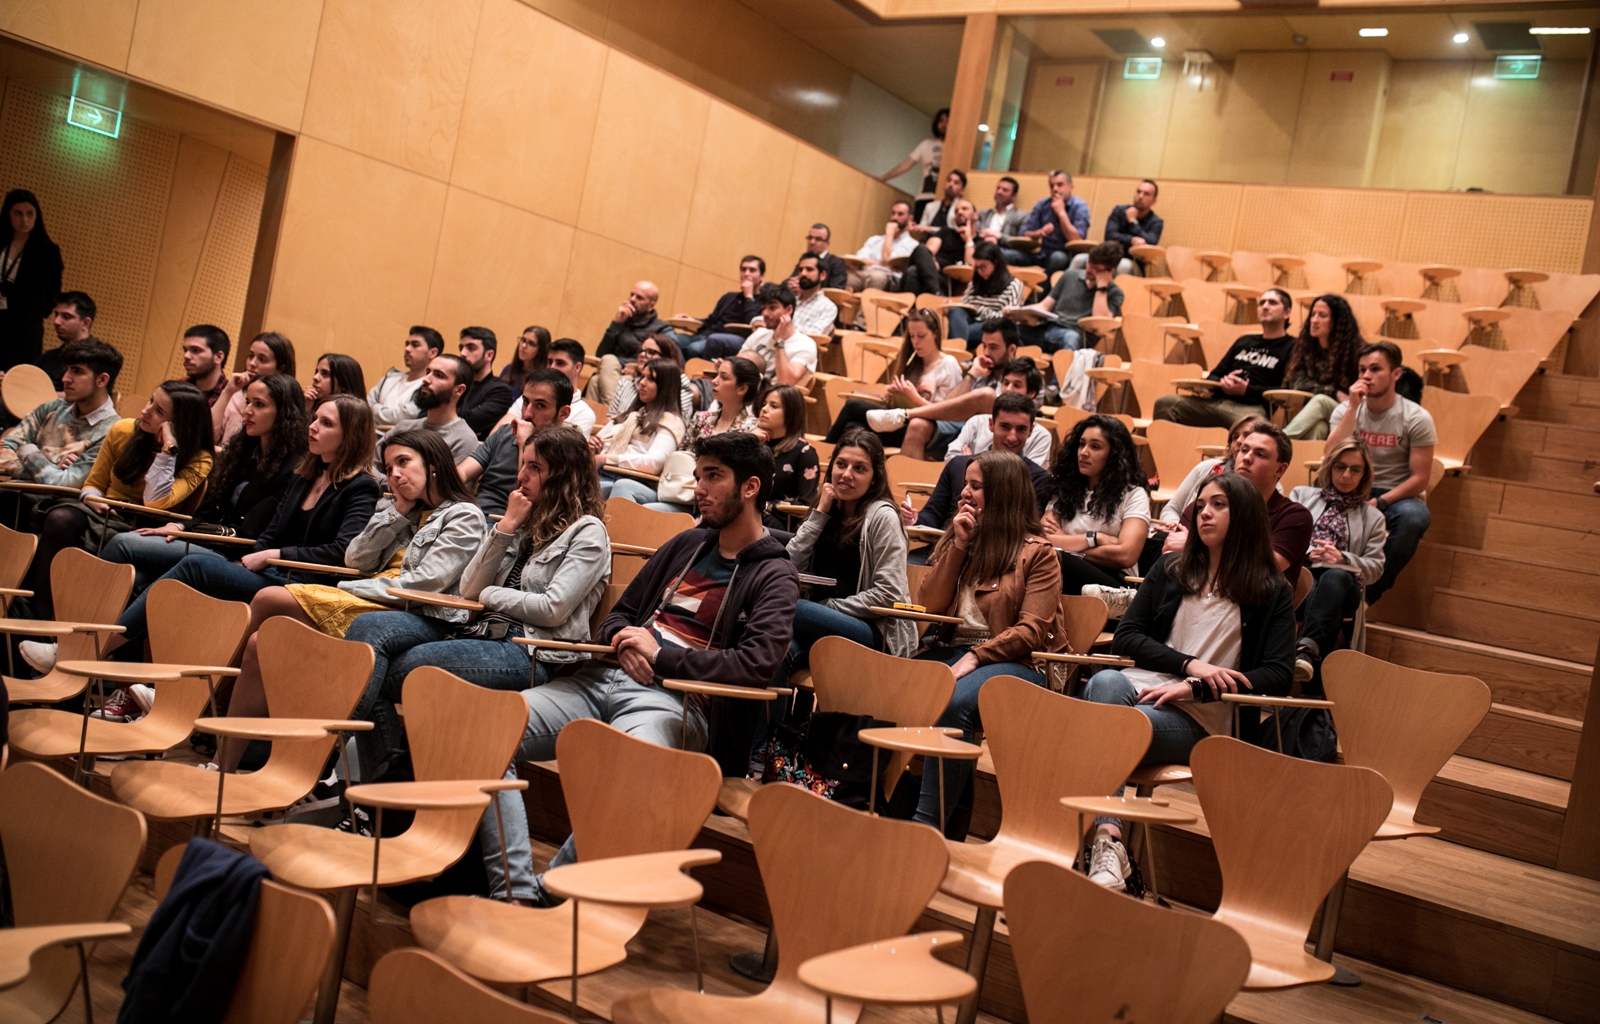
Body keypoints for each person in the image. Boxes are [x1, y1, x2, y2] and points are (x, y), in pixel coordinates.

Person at [486, 431, 797, 901]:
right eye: (698, 476)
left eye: (714, 477)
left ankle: (549, 891)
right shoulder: (686, 544)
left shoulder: (774, 573)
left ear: (750, 488)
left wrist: (661, 656)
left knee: (635, 772)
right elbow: (617, 617)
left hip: (676, 701)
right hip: (598, 679)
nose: (699, 488)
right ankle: (514, 891)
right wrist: (625, 643)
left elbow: (754, 665)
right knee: (487, 730)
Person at [342, 425, 610, 853]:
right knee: (371, 659)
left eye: (536, 468)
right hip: (481, 633)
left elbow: (551, 608)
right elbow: (467, 590)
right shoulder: (521, 521)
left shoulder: (588, 532)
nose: (521, 476)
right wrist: (504, 528)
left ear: (564, 475)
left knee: (413, 670)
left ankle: (376, 800)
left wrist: (491, 595)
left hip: (528, 650)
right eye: (522, 464)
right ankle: (379, 799)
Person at [210, 430, 487, 771]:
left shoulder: (463, 515)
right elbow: (355, 559)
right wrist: (397, 513)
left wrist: (355, 588)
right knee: (259, 643)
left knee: (268, 597)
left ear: (433, 464)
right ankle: (220, 763)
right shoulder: (405, 511)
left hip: (409, 607)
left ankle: (203, 699)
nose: (395, 474)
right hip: (373, 595)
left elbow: (427, 582)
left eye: (404, 462)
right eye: (389, 467)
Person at [1079, 471, 1296, 891]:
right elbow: (1128, 636)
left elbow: (1278, 674)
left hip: (1202, 718)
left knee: (1104, 725)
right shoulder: (1171, 568)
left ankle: (1088, 845)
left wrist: (1196, 687)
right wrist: (1191, 665)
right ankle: (1109, 840)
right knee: (1104, 683)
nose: (1204, 513)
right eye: (1202, 504)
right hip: (1142, 689)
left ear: (1246, 516)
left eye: (1219, 505)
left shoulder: (1271, 590)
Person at [101, 395, 380, 658]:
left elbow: (342, 550)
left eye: (326, 423)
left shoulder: (361, 487)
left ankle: (99, 646)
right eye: (315, 418)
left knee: (195, 565)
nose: (313, 427)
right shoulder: (304, 475)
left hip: (305, 584)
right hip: (271, 571)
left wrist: (276, 555)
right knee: (142, 579)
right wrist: (246, 560)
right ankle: (116, 663)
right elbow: (271, 533)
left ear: (349, 437)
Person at [912, 450, 1067, 834]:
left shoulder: (1039, 554)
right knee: (888, 682)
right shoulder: (962, 538)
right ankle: (865, 796)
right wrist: (959, 547)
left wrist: (977, 657)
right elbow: (928, 604)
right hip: (957, 654)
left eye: (975, 486)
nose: (964, 493)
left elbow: (1031, 632)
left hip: (1019, 665)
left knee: (954, 701)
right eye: (965, 484)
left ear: (1001, 495)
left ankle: (925, 827)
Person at [103, 373, 308, 602]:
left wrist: (186, 532)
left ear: (284, 414)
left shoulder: (292, 469)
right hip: (206, 540)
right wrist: (179, 525)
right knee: (139, 578)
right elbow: (207, 511)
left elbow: (250, 532)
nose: (248, 410)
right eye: (248, 402)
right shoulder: (242, 452)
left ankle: (85, 616)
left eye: (259, 405)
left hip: (232, 552)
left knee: (122, 543)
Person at [21, 381, 214, 620]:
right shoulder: (123, 430)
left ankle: (62, 620)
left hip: (147, 525)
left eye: (159, 412)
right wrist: (92, 498)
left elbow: (157, 502)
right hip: (102, 510)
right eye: (151, 400)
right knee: (59, 518)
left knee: (64, 527)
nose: (146, 410)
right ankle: (39, 617)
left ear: (179, 425)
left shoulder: (199, 458)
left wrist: (168, 450)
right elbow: (94, 483)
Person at [1140, 424, 1311, 621]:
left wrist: (1192, 545)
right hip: (1189, 605)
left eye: (1260, 455)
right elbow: (1173, 555)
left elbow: (1263, 569)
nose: (1246, 457)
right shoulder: (1205, 504)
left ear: (1280, 469)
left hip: (1252, 617)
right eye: (1244, 450)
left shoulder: (1294, 516)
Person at [785, 429, 916, 672]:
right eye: (841, 464)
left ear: (874, 478)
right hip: (818, 621)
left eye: (859, 468)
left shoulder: (883, 517)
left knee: (789, 607)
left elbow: (889, 594)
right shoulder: (826, 512)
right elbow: (788, 567)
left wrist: (827, 608)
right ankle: (800, 711)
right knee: (778, 652)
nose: (846, 474)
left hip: (872, 629)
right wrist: (819, 515)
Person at [1326, 341, 1436, 605]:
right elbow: (1330, 455)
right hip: (1350, 486)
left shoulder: (1416, 417)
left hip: (1396, 496)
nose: (1366, 375)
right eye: (1362, 369)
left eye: (1375, 369)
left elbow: (1420, 479)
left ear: (1396, 374)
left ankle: (1368, 595)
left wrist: (1381, 502)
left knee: (1414, 517)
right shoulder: (1345, 411)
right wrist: (1353, 408)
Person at [1289, 439, 1387, 688]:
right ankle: (1308, 664)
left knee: (1335, 576)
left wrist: (1342, 558)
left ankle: (1306, 648)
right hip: (1301, 586)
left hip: (1345, 589)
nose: (1346, 475)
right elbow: (1282, 539)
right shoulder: (1301, 496)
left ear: (1364, 475)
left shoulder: (1374, 518)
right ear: (1330, 467)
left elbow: (1376, 569)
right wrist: (1310, 552)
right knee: (1321, 597)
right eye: (1340, 467)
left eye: (1355, 469)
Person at [611, 357, 760, 513]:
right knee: (622, 485)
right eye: (716, 375)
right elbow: (682, 455)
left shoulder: (751, 429)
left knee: (648, 510)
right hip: (681, 489)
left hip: (714, 500)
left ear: (742, 389)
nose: (714, 381)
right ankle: (613, 535)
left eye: (724, 377)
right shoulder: (701, 418)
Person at [858, 319, 1021, 461]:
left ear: (1011, 350)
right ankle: (904, 490)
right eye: (984, 346)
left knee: (987, 395)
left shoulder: (1022, 377)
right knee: (917, 425)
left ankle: (905, 414)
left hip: (992, 437)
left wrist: (915, 399)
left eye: (993, 347)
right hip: (961, 430)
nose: (986, 353)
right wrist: (972, 374)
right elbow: (948, 407)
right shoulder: (981, 373)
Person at [905, 392, 1053, 544]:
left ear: (1030, 430)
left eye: (1021, 429)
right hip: (941, 548)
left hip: (995, 557)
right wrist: (911, 519)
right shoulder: (958, 465)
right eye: (1005, 427)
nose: (1012, 437)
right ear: (991, 424)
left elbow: (1025, 532)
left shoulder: (1038, 479)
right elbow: (932, 515)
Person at [1143, 412, 1268, 570]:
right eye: (1235, 436)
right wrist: (1175, 527)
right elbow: (1172, 508)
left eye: (1247, 435)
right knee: (1159, 540)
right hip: (1182, 535)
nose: (1240, 441)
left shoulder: (1264, 489)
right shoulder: (1207, 468)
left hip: (1217, 556)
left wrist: (1191, 539)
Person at [1041, 415, 1150, 595]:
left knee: (1057, 560)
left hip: (1116, 583)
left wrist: (1068, 547)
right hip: (1064, 570)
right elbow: (1045, 539)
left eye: (1095, 446)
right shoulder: (1065, 487)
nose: (1084, 452)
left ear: (1114, 454)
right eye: (1081, 444)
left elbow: (1126, 555)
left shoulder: (1134, 495)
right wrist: (1094, 539)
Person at [1153, 288, 1293, 428]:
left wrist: (1247, 390)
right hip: (1216, 402)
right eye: (1262, 303)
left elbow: (1286, 391)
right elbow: (1214, 375)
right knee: (1166, 403)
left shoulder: (1293, 347)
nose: (1265, 306)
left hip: (1251, 408)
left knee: (1256, 428)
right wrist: (1223, 383)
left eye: (1272, 302)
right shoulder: (1244, 341)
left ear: (1287, 312)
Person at [825, 309, 962, 448]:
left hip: (923, 430)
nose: (915, 342)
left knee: (852, 406)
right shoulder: (912, 362)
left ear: (936, 334)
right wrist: (892, 396)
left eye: (921, 336)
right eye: (912, 336)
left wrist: (914, 397)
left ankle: (823, 451)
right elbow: (897, 409)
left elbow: (946, 414)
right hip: (900, 422)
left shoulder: (948, 364)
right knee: (851, 427)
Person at [0, 337, 121, 487]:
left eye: (77, 371)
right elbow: (4, 447)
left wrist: (28, 450)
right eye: (66, 369)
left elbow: (64, 483)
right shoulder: (51, 408)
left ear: (102, 380)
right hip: (17, 494)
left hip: (58, 505)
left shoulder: (113, 431)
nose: (65, 379)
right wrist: (49, 466)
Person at [460, 368, 575, 517]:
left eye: (540, 405)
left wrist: (525, 443)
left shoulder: (566, 448)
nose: (527, 413)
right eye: (526, 402)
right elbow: (463, 472)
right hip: (473, 514)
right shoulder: (505, 432)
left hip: (513, 525)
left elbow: (526, 495)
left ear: (563, 413)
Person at [592, 358, 685, 495]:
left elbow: (654, 463)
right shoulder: (629, 415)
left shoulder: (671, 422)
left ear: (666, 386)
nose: (641, 383)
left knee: (581, 490)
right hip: (600, 473)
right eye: (642, 377)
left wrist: (605, 458)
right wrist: (594, 447)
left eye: (651, 379)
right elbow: (597, 449)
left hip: (632, 481)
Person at [1011, 240, 1124, 353]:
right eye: (1089, 263)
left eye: (1096, 268)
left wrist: (1102, 287)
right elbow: (1044, 306)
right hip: (1049, 327)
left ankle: (1063, 370)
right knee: (1009, 330)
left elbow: (1099, 324)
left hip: (1075, 335)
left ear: (1110, 270)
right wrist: (1017, 312)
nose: (1089, 270)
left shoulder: (1115, 293)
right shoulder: (1070, 275)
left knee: (1070, 337)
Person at [943, 360, 1052, 467]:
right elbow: (951, 457)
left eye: (1017, 385)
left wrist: (971, 464)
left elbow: (1028, 476)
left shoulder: (1041, 436)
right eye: (1006, 383)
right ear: (991, 424)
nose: (1008, 389)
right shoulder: (977, 422)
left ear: (1031, 393)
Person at [1283, 295, 1362, 441]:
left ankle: (1279, 440)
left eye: (1322, 315)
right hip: (1318, 416)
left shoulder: (1356, 352)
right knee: (1320, 428)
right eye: (1313, 314)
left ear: (1337, 322)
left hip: (1351, 414)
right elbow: (1298, 384)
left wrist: (1334, 396)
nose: (1314, 320)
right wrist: (1334, 393)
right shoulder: (1305, 348)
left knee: (1321, 401)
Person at [0, 190, 63, 370]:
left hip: (25, 327)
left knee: (18, 375)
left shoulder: (47, 250)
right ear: (8, 214)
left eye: (30, 214)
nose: (24, 220)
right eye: (18, 213)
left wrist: (34, 312)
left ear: (37, 215)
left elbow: (54, 291)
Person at [587, 281, 672, 406]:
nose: (632, 299)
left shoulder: (661, 329)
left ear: (651, 305)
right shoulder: (622, 321)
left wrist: (637, 368)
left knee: (597, 380)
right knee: (606, 362)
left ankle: (609, 411)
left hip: (638, 376)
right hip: (612, 371)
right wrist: (615, 324)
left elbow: (665, 360)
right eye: (631, 295)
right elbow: (601, 354)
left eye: (639, 297)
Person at [385, 354, 479, 462]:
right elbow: (369, 463)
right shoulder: (403, 427)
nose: (426, 379)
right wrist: (387, 479)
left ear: (459, 390)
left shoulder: (463, 440)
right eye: (428, 372)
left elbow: (451, 479)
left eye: (439, 375)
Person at [753, 383, 819, 528]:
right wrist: (748, 441)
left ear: (790, 414)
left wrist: (765, 506)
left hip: (779, 524)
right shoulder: (753, 443)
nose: (764, 409)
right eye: (764, 404)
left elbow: (806, 503)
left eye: (773, 406)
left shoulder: (804, 452)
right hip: (746, 516)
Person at [213, 331, 296, 445]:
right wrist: (227, 392)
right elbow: (208, 437)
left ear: (281, 369)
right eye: (251, 356)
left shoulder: (285, 405)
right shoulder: (236, 394)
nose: (252, 363)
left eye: (262, 359)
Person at [678, 257, 766, 359]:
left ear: (762, 276)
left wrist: (749, 297)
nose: (746, 274)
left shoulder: (764, 303)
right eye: (743, 269)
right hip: (705, 335)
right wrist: (692, 319)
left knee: (694, 348)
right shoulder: (729, 297)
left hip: (728, 341)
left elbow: (753, 324)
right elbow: (710, 321)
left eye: (752, 270)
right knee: (671, 340)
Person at [946, 241, 1024, 347]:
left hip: (994, 328)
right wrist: (953, 305)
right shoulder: (976, 281)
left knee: (958, 331)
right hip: (971, 322)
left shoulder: (1014, 284)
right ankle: (960, 351)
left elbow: (1007, 319)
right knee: (956, 311)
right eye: (977, 267)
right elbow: (965, 305)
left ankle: (958, 350)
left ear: (995, 263)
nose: (980, 271)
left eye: (983, 266)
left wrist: (980, 310)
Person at [738, 284, 818, 386]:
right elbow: (736, 365)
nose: (765, 313)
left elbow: (785, 383)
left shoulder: (806, 345)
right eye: (763, 308)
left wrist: (779, 342)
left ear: (788, 310)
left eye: (772, 308)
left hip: (774, 399)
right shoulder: (759, 334)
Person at [607, 334, 695, 425]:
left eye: (651, 352)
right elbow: (610, 419)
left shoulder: (680, 387)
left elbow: (673, 423)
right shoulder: (625, 384)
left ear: (667, 359)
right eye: (641, 350)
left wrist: (622, 421)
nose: (641, 354)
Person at [1015, 170, 1090, 274]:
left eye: (1059, 185)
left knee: (1058, 258)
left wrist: (1061, 213)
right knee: (1004, 254)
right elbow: (1026, 234)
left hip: (1065, 256)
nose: (1055, 189)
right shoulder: (1042, 204)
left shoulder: (1080, 206)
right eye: (1051, 186)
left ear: (1070, 187)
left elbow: (1077, 239)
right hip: (1041, 254)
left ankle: (1043, 289)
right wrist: (1040, 232)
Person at [902, 191, 975, 297]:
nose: (959, 212)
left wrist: (968, 240)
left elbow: (970, 268)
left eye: (964, 209)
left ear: (976, 215)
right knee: (921, 249)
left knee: (912, 272)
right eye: (956, 210)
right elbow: (927, 252)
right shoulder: (946, 232)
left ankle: (909, 310)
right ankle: (936, 293)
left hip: (947, 281)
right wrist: (932, 260)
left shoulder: (978, 242)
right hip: (931, 271)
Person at [879, 108, 948, 220]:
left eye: (948, 121)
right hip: (924, 197)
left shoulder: (955, 150)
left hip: (944, 200)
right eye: (941, 121)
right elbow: (907, 164)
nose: (944, 125)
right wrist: (884, 178)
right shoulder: (926, 144)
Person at [368, 326, 443, 427]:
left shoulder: (429, 386)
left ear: (432, 353)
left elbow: (405, 417)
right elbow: (365, 406)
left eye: (415, 345)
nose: (407, 349)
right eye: (407, 344)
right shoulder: (389, 378)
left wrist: (375, 409)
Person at [456, 327, 515, 439]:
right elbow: (427, 413)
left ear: (489, 355)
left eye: (471, 348)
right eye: (461, 348)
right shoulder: (455, 383)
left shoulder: (500, 391)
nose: (462, 353)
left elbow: (469, 423)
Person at [1093, 179, 1162, 275]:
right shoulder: (1119, 211)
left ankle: (1113, 290)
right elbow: (1109, 236)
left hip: (1134, 263)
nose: (1140, 196)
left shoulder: (1156, 222)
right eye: (1138, 192)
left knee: (1123, 266)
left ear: (1154, 201)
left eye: (1146, 194)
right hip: (1110, 258)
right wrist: (1132, 240)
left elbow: (1149, 243)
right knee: (1079, 259)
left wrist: (1133, 222)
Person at [848, 202, 918, 292]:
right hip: (864, 272)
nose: (894, 218)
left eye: (900, 214)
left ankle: (867, 306)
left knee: (877, 277)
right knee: (842, 274)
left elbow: (888, 260)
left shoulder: (912, 244)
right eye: (893, 213)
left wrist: (890, 234)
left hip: (888, 277)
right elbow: (860, 259)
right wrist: (881, 264)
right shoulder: (874, 239)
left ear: (910, 218)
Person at [35, 292, 98, 390]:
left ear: (85, 323)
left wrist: (41, 397)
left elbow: (91, 399)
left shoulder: (99, 358)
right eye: (56, 315)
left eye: (66, 316)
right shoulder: (48, 357)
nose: (56, 321)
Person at [179, 325, 230, 405]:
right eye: (185, 350)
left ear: (218, 357)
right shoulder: (178, 389)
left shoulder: (231, 397)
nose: (186, 356)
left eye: (195, 350)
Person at [787, 225, 847, 292]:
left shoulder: (836, 263)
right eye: (810, 238)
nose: (812, 242)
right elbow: (788, 281)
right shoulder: (805, 260)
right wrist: (790, 285)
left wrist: (807, 289)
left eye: (818, 239)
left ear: (827, 243)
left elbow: (835, 291)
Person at [977, 176, 1029, 250]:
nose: (999, 192)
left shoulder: (1022, 216)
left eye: (1005, 190)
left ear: (1014, 196)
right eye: (998, 188)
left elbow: (1020, 243)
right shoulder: (983, 214)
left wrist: (999, 237)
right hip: (982, 247)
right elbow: (975, 234)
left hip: (1004, 250)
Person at [500, 325, 550, 394]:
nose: (524, 346)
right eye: (523, 340)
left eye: (531, 343)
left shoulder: (541, 379)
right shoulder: (508, 369)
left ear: (541, 350)